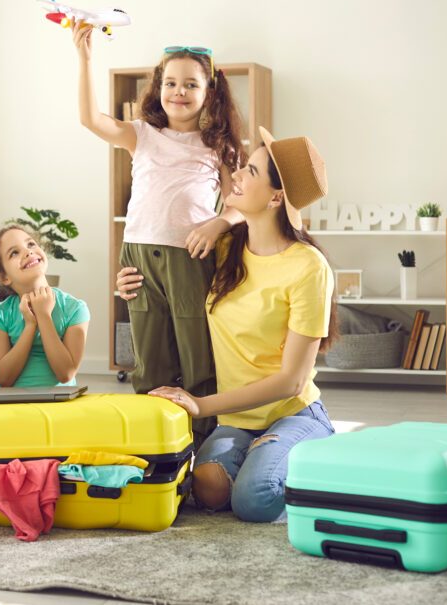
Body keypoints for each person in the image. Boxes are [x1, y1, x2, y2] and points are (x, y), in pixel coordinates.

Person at [118, 128, 338, 522]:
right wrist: (130, 284)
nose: (236, 174)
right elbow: (169, 284)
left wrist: (200, 405)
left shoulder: (308, 267)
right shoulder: (223, 250)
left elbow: (291, 381)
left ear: (276, 197)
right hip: (238, 420)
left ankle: (308, 452)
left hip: (291, 412)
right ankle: (265, 457)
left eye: (250, 171)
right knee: (208, 490)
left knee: (255, 500)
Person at [73, 23, 246, 448]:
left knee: (197, 352)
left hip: (191, 255)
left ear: (210, 92)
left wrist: (219, 222)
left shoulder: (218, 146)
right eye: (170, 82)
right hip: (138, 257)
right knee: (149, 357)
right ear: (158, 87)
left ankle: (204, 443)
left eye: (190, 84)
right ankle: (154, 440)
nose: (179, 92)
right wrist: (86, 58)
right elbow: (90, 119)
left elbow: (242, 203)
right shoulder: (142, 134)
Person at [0, 225, 89, 387]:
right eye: (14, 253)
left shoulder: (74, 308)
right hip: (10, 406)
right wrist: (30, 325)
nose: (28, 252)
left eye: (31, 244)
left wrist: (44, 316)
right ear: (4, 277)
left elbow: (65, 373)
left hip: (57, 406)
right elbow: (3, 379)